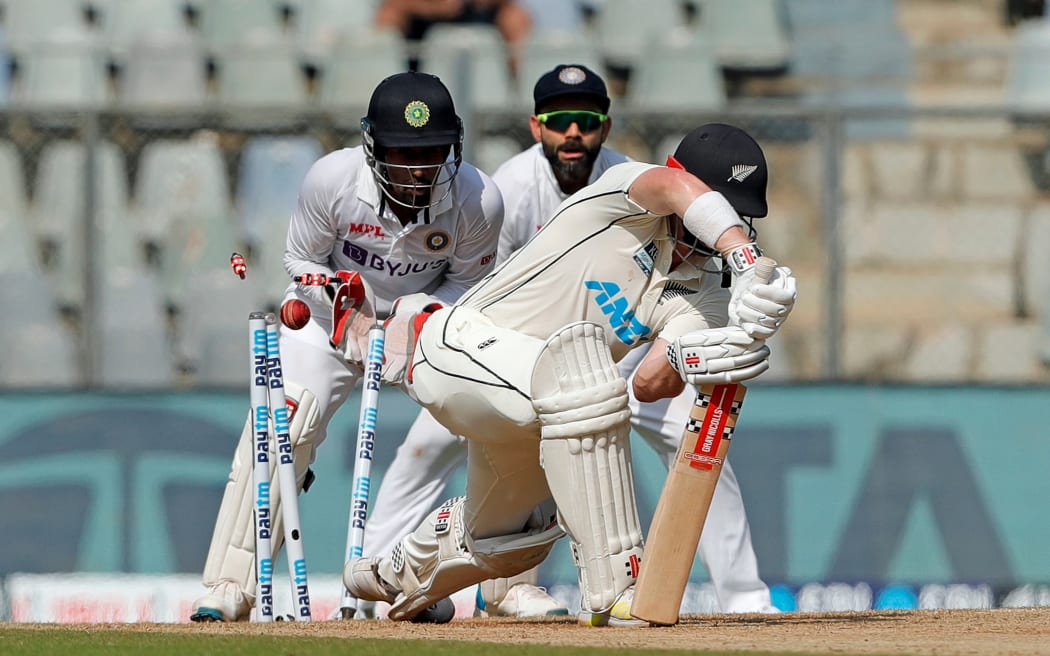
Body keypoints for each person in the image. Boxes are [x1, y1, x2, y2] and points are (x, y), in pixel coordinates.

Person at [361, 63, 777, 619]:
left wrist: (706, 348)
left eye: (742, 221)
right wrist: (743, 256)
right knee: (588, 385)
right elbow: (674, 187)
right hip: (460, 346)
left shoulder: (703, 289)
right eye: (724, 213)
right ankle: (617, 585)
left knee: (511, 542)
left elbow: (652, 386)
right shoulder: (621, 195)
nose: (729, 230)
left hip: (535, 404)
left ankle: (393, 572)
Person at [189, 70, 504, 622]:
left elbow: (467, 287)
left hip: (424, 326)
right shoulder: (331, 179)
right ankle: (232, 586)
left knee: (491, 418)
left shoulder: (480, 200)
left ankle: (429, 585)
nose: (418, 168)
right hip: (327, 319)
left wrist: (415, 317)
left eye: (431, 151)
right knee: (281, 424)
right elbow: (299, 261)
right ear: (373, 147)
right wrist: (341, 305)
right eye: (403, 153)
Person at [375, 0, 532, 77]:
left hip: (472, 12)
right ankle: (390, 89)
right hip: (422, 16)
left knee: (516, 18)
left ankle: (516, 97)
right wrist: (437, 8)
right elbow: (394, 3)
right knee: (389, 16)